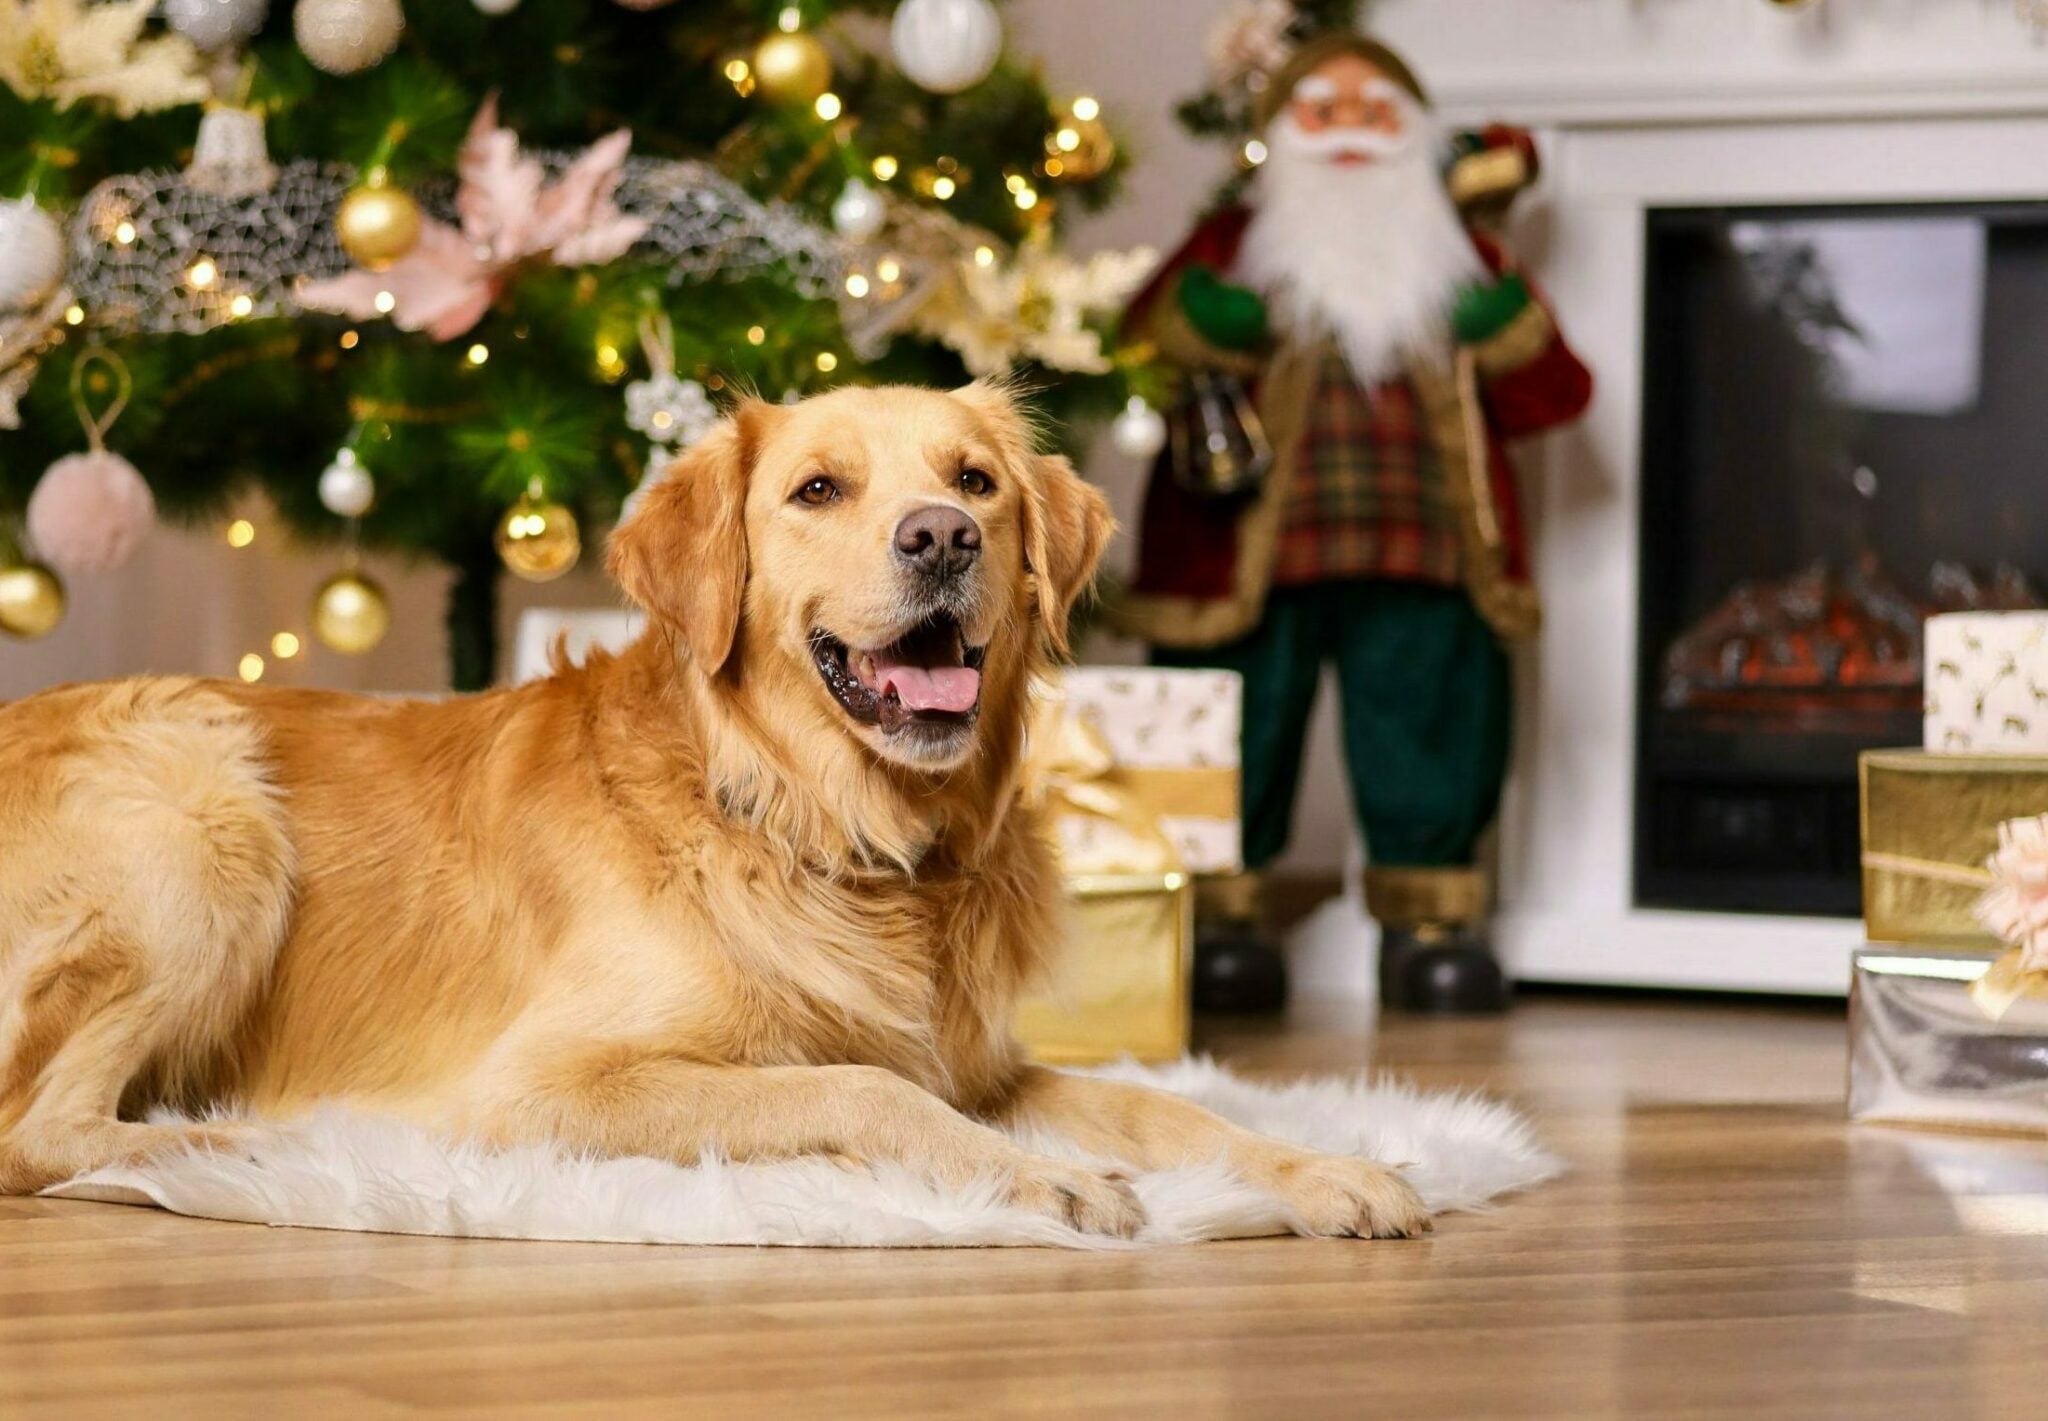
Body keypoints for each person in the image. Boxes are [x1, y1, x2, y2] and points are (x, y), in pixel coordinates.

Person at [1112, 30, 1592, 1014]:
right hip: (1247, 547)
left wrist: (1494, 316)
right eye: (1319, 110)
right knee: (1235, 725)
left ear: (1413, 136)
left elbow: (1556, 394)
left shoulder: (1462, 258)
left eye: (1373, 112)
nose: (1347, 131)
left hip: (1428, 545)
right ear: (1279, 134)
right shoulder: (1231, 246)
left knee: (1431, 723)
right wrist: (1207, 321)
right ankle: (1219, 916)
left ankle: (1427, 920)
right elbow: (1132, 350)